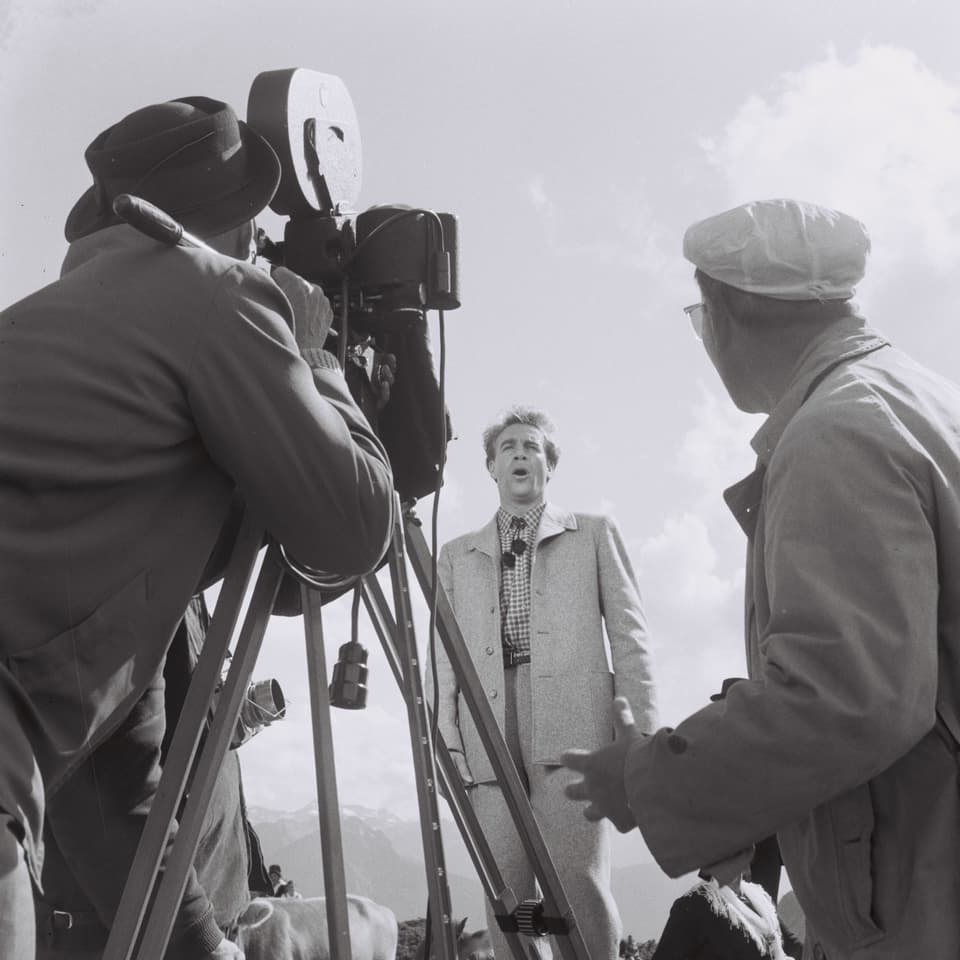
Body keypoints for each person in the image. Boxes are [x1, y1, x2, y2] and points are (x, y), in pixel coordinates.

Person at [0, 95, 394, 959]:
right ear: (240, 229)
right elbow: (352, 530)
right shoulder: (215, 293)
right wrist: (316, 356)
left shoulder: (42, 330)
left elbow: (105, 719)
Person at [562, 198, 960, 959]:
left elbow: (851, 696)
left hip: (927, 895)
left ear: (728, 309)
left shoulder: (836, 432)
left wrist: (645, 782)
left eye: (698, 313)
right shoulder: (917, 398)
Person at [430, 405, 658, 960]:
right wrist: (446, 742)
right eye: (507, 447)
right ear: (490, 467)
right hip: (484, 729)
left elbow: (630, 638)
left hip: (575, 727)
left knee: (578, 882)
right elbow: (441, 659)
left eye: (532, 447)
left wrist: (641, 738)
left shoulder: (594, 534)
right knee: (504, 892)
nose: (520, 455)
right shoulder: (455, 556)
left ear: (549, 466)